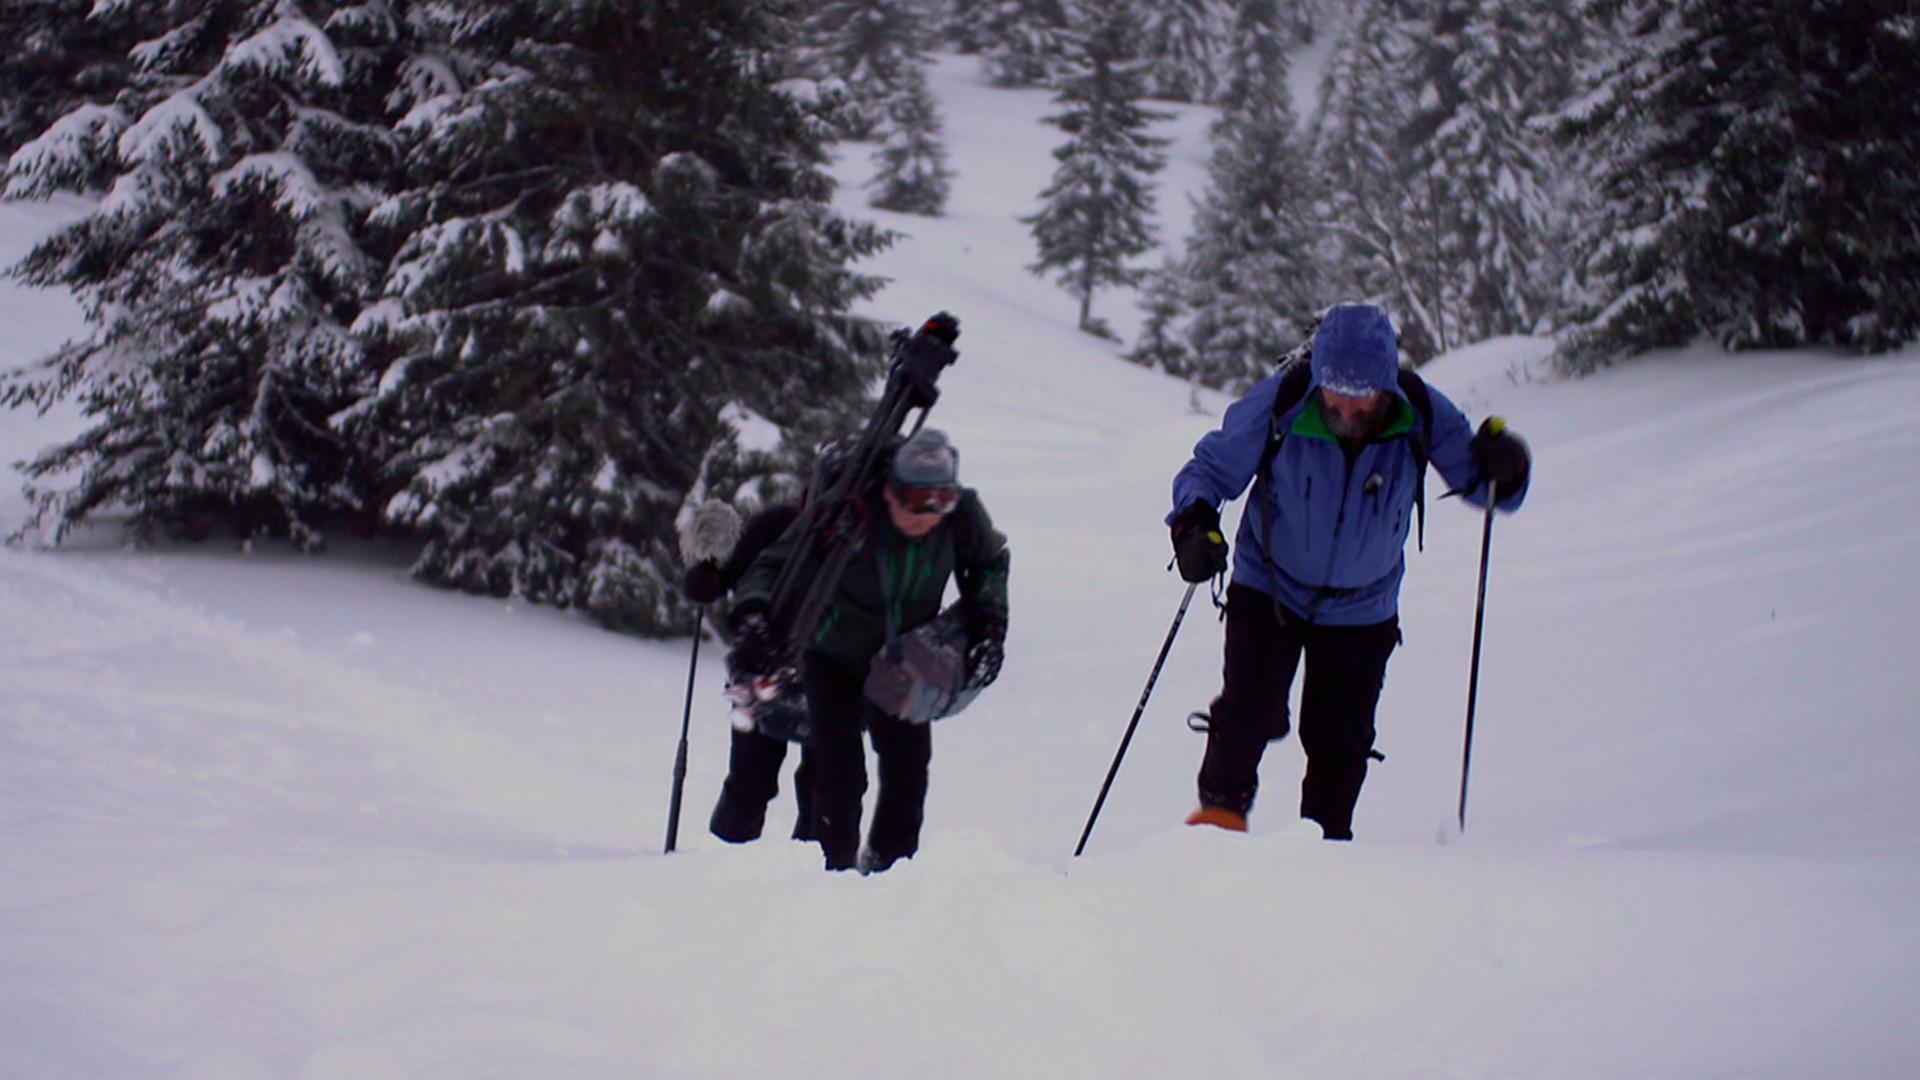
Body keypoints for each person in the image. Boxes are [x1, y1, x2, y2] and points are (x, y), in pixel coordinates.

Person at [1167, 303, 1531, 840]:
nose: (1347, 402)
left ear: (1386, 383)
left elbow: (1490, 490)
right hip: (1268, 588)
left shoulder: (1422, 412)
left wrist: (1508, 465)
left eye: (1364, 391)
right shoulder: (1284, 401)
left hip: (1364, 607)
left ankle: (1325, 857)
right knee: (1245, 716)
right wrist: (1194, 522)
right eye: (1336, 387)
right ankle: (1215, 838)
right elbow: (1210, 468)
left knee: (1341, 742)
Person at [727, 428, 1009, 873]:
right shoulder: (847, 514)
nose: (928, 514)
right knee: (839, 773)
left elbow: (990, 562)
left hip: (904, 660)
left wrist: (990, 627)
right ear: (891, 493)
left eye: (941, 500)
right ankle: (829, 869)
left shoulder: (960, 517)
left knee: (908, 771)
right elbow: (772, 562)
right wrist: (752, 619)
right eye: (916, 500)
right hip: (832, 654)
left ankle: (891, 872)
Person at [680, 501, 819, 845]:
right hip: (805, 668)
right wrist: (708, 578)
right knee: (820, 787)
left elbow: (727, 575)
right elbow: (729, 574)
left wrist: (708, 578)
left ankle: (726, 857)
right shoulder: (782, 522)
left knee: (754, 779)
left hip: (765, 666)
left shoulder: (781, 519)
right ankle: (817, 873)